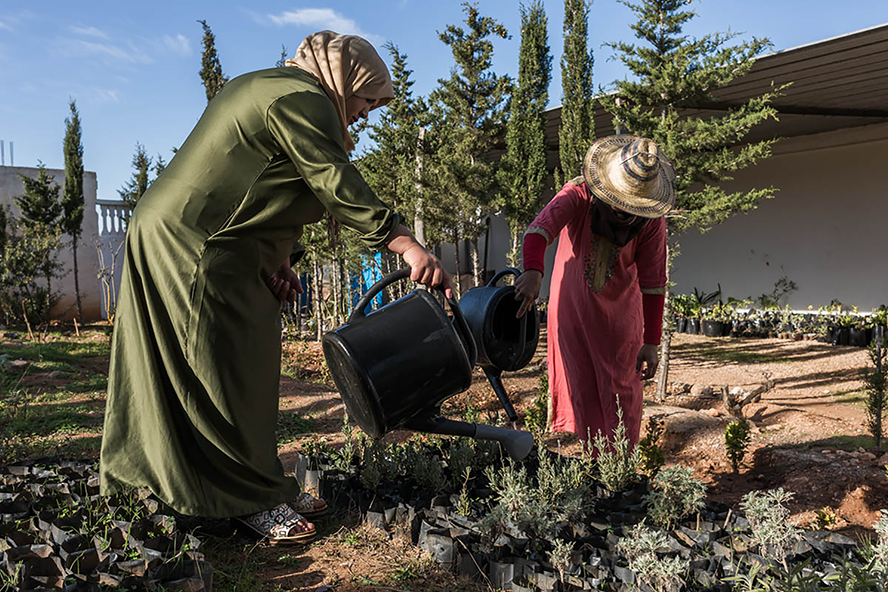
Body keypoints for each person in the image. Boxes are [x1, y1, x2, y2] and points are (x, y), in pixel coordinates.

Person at [99, 31, 451, 545]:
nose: (368, 113)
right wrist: (404, 243)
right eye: (367, 99)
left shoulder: (279, 88)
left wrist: (281, 257)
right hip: (198, 245)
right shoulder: (303, 99)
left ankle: (231, 484)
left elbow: (259, 179)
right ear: (344, 79)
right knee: (221, 368)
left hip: (205, 236)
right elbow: (332, 179)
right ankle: (246, 499)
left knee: (239, 361)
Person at [514, 135, 673, 448]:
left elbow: (654, 283)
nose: (626, 212)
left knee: (622, 395)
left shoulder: (652, 221)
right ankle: (590, 461)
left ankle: (616, 469)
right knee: (581, 385)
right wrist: (533, 271)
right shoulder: (578, 195)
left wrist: (652, 341)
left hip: (620, 320)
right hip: (571, 313)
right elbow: (538, 231)